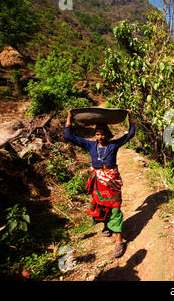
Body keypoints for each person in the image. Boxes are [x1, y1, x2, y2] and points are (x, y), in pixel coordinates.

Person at [64, 109, 135, 258]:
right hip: (98, 180)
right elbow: (68, 136)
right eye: (97, 134)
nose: (100, 137)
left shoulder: (114, 145)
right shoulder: (90, 146)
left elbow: (130, 134)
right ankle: (106, 226)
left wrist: (130, 116)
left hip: (111, 180)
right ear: (95, 136)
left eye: (103, 134)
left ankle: (118, 242)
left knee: (115, 207)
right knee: (101, 204)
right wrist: (69, 117)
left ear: (108, 135)